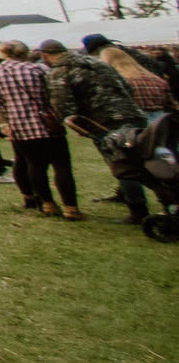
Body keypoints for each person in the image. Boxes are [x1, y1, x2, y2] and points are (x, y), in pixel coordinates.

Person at [40, 39, 152, 225]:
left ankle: (138, 211)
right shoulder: (98, 63)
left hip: (103, 121)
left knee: (123, 164)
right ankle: (139, 198)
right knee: (139, 158)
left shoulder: (60, 70)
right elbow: (127, 87)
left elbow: (62, 102)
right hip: (133, 114)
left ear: (44, 55)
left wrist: (71, 122)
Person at [0, 41, 76, 217]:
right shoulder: (40, 69)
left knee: (34, 165)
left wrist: (4, 123)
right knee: (61, 165)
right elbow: (53, 94)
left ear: (2, 53)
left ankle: (48, 203)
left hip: (19, 124)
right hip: (48, 123)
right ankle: (71, 207)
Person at [92, 39, 173, 113]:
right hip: (159, 123)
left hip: (131, 123)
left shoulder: (115, 83)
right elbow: (171, 105)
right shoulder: (158, 80)